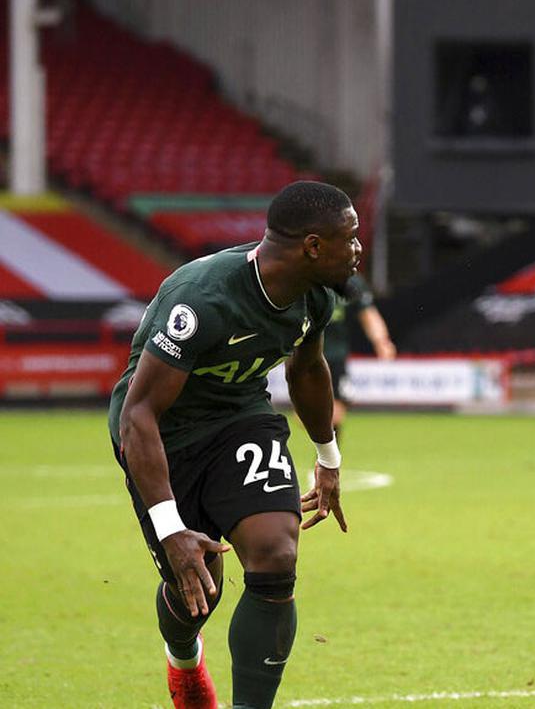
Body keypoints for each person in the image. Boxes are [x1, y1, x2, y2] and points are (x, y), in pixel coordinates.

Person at [108, 181, 357, 709]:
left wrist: (328, 458)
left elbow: (307, 368)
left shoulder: (316, 295)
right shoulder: (202, 299)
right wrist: (170, 528)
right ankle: (184, 661)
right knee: (200, 594)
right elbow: (140, 413)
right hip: (161, 432)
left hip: (240, 416)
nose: (358, 250)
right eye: (350, 239)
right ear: (313, 246)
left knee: (276, 553)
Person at [324, 272, 397, 438]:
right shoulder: (305, 273)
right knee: (306, 415)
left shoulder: (352, 281)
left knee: (336, 414)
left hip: (336, 356)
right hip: (304, 354)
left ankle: (326, 461)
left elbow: (368, 313)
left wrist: (382, 341)